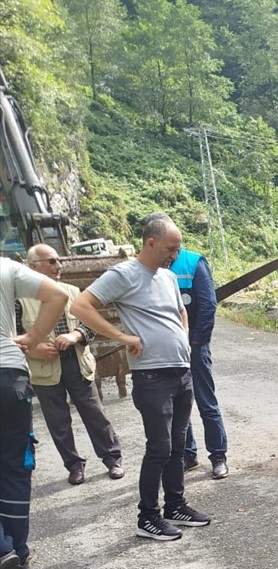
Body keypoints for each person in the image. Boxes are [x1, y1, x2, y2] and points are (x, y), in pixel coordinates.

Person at [70, 214, 211, 541]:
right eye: (170, 248)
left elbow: (182, 312)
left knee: (178, 445)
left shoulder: (168, 278)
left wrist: (184, 338)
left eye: (177, 249)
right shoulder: (124, 273)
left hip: (180, 371)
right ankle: (147, 516)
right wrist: (122, 338)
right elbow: (81, 305)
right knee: (159, 447)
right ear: (151, 242)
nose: (174, 255)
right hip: (151, 377)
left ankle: (175, 505)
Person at [20, 244, 123, 486]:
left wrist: (76, 336)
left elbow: (90, 325)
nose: (58, 266)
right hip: (44, 368)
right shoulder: (20, 300)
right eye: (51, 261)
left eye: (58, 261)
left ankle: (112, 459)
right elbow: (11, 335)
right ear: (32, 267)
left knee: (94, 413)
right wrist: (35, 350)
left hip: (76, 361)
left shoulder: (73, 292)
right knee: (58, 421)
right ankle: (74, 466)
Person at [0, 255, 68, 569]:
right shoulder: (5, 266)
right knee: (15, 462)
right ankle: (18, 551)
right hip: (10, 373)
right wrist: (32, 336)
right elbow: (58, 296)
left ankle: (2, 552)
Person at [169, 245, 229, 479]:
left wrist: (196, 342)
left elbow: (208, 304)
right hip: (170, 349)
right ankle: (188, 455)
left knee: (206, 401)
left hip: (194, 346)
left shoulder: (194, 263)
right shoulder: (153, 265)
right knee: (179, 404)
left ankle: (218, 456)